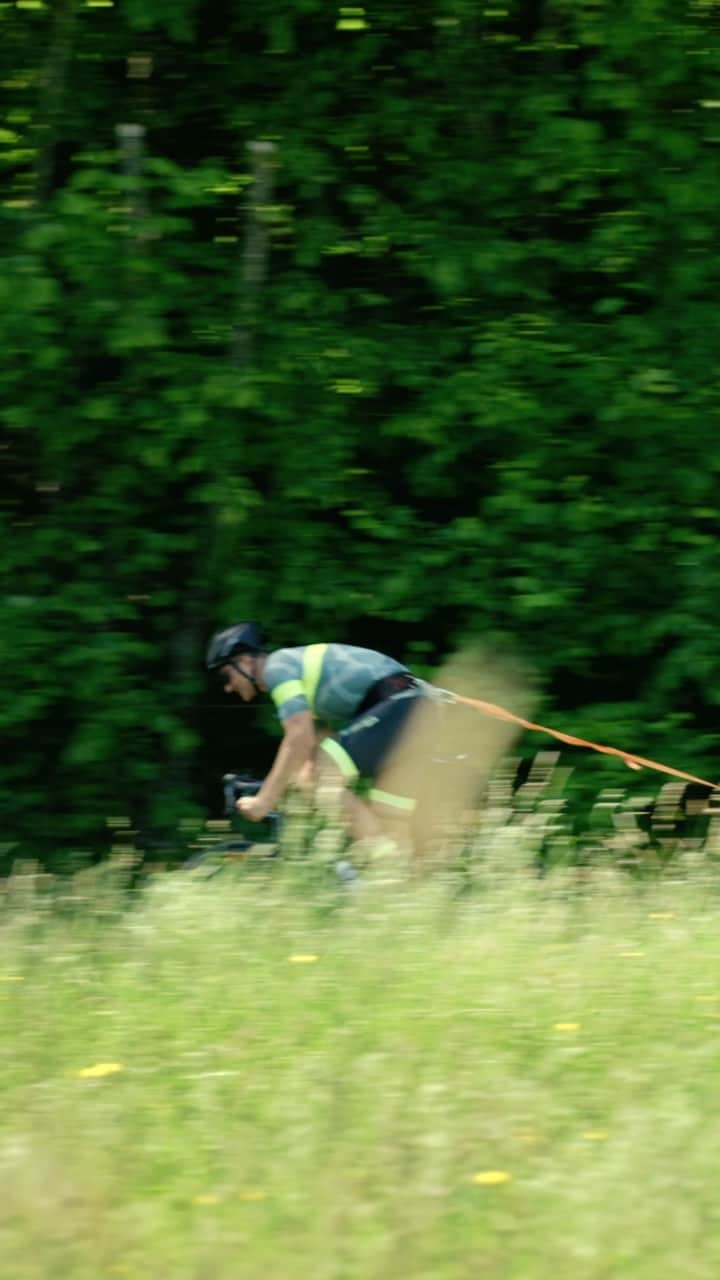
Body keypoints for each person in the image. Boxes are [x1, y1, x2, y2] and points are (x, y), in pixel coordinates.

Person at [205, 621, 435, 855]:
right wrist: (285, 785)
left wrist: (264, 801)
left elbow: (298, 737)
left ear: (245, 660)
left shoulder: (277, 668)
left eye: (226, 677)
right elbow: (311, 750)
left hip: (399, 707)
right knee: (389, 826)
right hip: (413, 711)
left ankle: (384, 863)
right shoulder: (299, 679)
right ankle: (396, 876)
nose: (227, 688)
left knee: (318, 778)